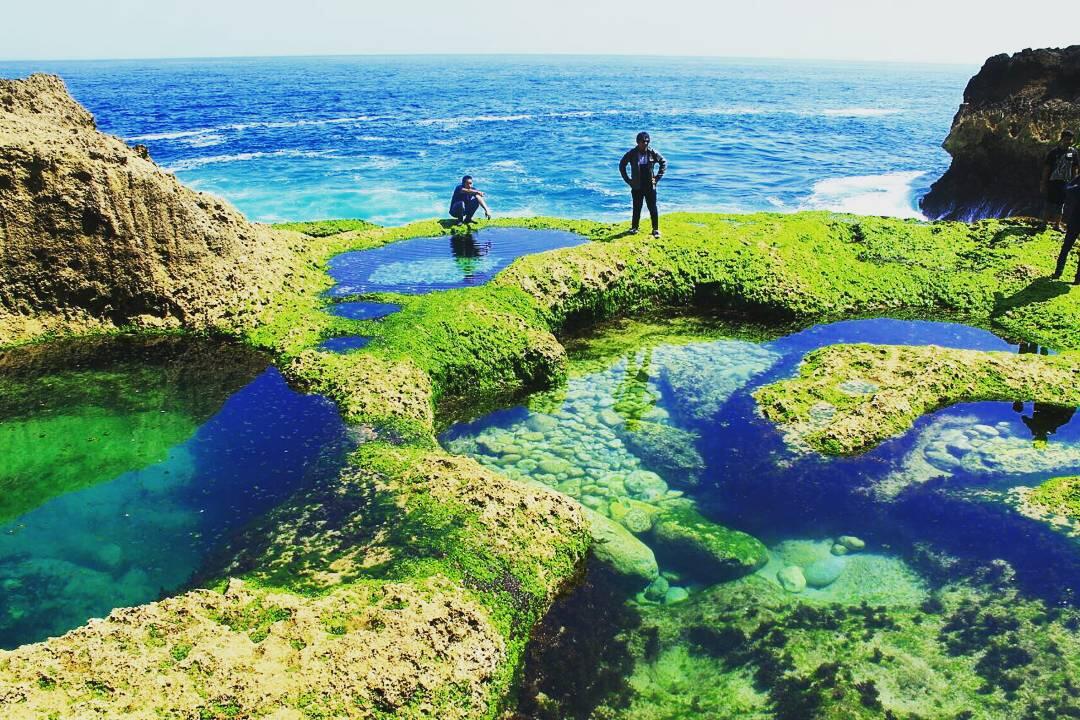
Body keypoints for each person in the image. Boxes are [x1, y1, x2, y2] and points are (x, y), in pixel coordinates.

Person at [620, 132, 667, 237]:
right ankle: (634, 228)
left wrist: (657, 178)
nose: (645, 144)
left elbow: (663, 162)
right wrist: (628, 180)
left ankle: (655, 229)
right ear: (637, 142)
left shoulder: (652, 152)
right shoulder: (632, 153)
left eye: (647, 141)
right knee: (637, 207)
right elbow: (622, 165)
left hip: (650, 185)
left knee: (652, 207)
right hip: (637, 185)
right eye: (643, 142)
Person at [1041, 130, 1079, 230]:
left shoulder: (1073, 153)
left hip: (1065, 183)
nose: (1068, 141)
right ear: (1061, 139)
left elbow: (1074, 168)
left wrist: (1074, 184)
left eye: (1070, 139)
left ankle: (1057, 225)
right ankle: (1043, 224)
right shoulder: (1054, 153)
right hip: (1053, 182)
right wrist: (1043, 183)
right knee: (1049, 203)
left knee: (1061, 205)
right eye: (1066, 139)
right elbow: (1047, 169)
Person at [1051, 178, 1080, 282]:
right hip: (1075, 221)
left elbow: (1067, 188)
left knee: (1066, 247)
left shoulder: (1077, 188)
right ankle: (1078, 278)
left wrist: (1076, 178)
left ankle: (1058, 272)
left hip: (1075, 221)